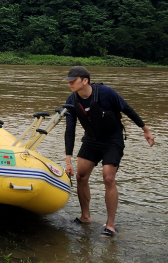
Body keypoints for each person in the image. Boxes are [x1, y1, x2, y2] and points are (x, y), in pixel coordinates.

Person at [61, 66, 155, 238]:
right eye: (69, 81)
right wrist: (68, 161)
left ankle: (110, 225)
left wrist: (145, 130)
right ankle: (85, 216)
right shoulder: (72, 100)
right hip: (91, 139)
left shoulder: (106, 93)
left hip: (112, 139)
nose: (70, 84)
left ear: (85, 80)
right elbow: (70, 131)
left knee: (108, 177)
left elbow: (127, 109)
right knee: (80, 176)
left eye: (73, 81)